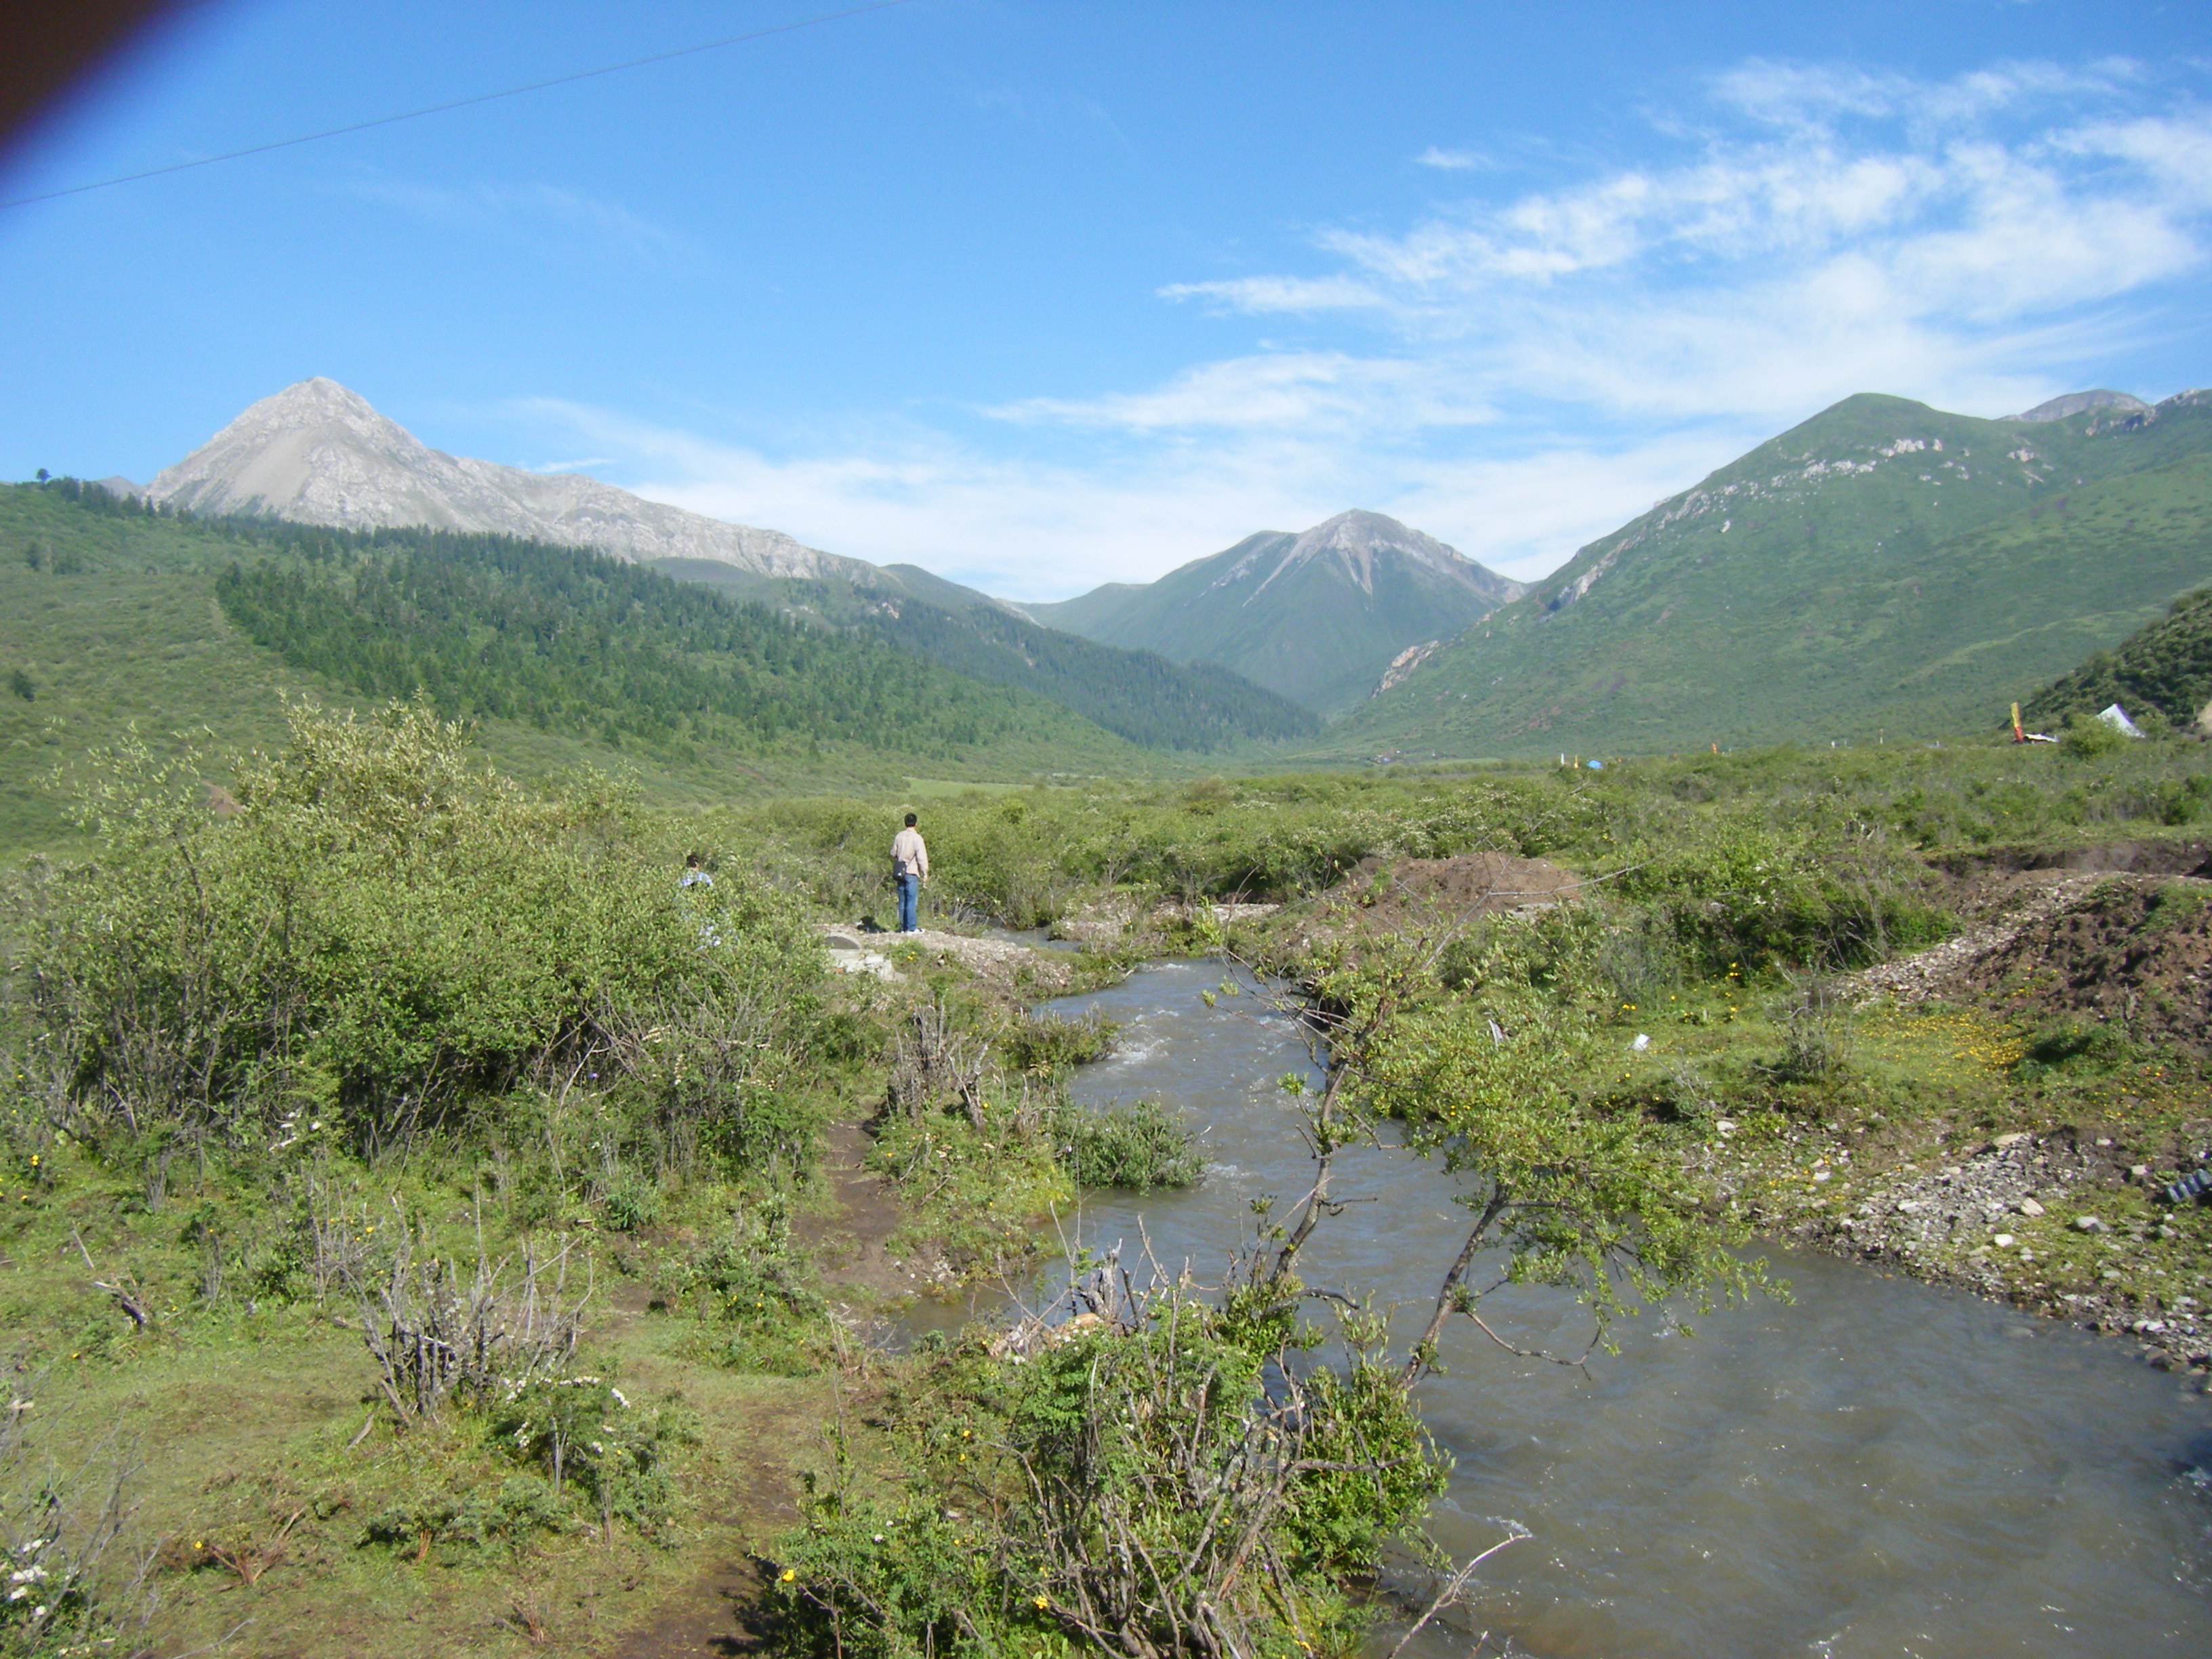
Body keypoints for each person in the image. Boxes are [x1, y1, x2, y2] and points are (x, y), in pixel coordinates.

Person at [890, 812, 928, 933]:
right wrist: (924, 873)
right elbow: (921, 857)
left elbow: (893, 853)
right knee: (911, 901)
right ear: (916, 824)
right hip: (912, 872)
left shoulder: (899, 836)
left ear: (905, 822)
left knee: (902, 900)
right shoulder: (917, 838)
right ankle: (911, 928)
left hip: (900, 871)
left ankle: (902, 927)